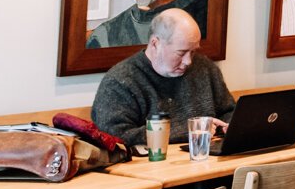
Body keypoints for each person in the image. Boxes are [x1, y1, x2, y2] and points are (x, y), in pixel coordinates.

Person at [90, 9, 234, 149]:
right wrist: (187, 130)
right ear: (155, 44)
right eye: (181, 52)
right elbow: (114, 136)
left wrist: (230, 124)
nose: (188, 61)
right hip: (151, 167)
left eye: (193, 51)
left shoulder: (205, 68)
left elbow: (228, 111)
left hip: (207, 159)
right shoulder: (120, 81)